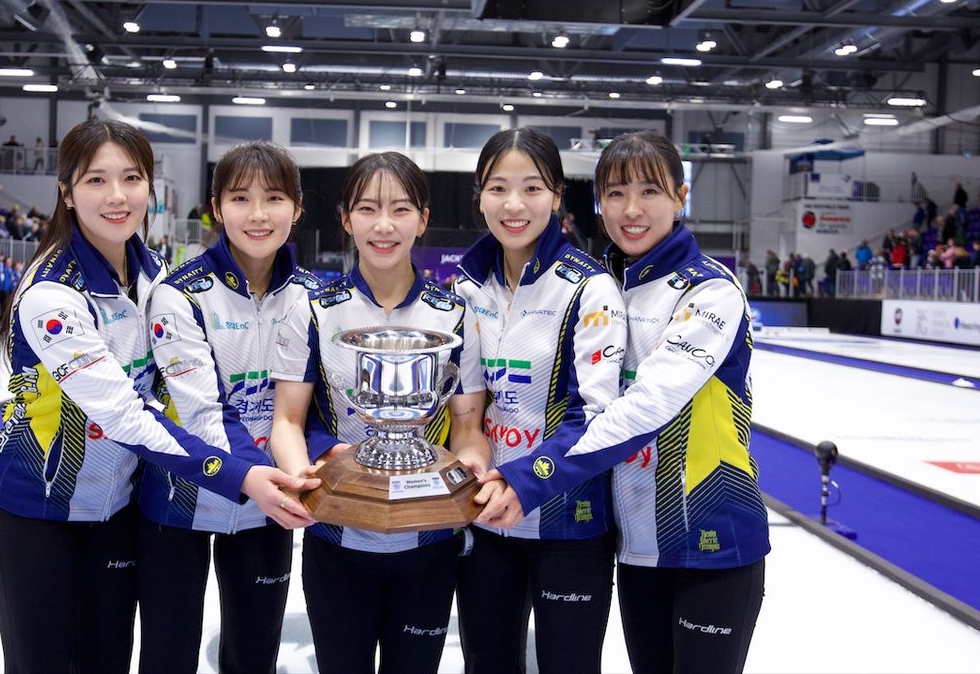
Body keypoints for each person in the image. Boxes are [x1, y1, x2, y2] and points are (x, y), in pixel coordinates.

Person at [0, 118, 315, 674]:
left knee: (108, 660)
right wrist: (241, 474)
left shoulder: (153, 274)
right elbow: (128, 415)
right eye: (95, 181)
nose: (117, 196)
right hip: (37, 514)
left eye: (132, 178)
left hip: (116, 510)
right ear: (66, 191)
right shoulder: (51, 293)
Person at [481, 130, 769, 674]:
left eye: (650, 192)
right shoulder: (604, 285)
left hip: (713, 541)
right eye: (615, 194)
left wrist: (531, 476)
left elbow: (644, 409)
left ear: (681, 198)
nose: (631, 210)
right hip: (637, 546)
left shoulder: (710, 291)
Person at [270, 151, 489, 674]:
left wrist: (469, 473)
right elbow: (288, 421)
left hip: (430, 540)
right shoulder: (315, 308)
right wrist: (306, 480)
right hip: (338, 540)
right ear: (346, 220)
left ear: (423, 219)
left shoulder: (455, 312)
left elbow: (466, 425)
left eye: (401, 209)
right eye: (367, 209)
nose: (384, 225)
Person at [137, 141, 322, 673]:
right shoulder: (180, 295)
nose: (258, 215)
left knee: (254, 653)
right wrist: (263, 476)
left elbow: (316, 409)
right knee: (168, 655)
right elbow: (203, 413)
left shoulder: (313, 297)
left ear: (298, 208)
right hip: (179, 501)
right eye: (240, 198)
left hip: (271, 506)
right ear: (216, 208)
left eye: (275, 198)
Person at [452, 127, 626, 674]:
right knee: (487, 663)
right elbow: (467, 409)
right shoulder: (467, 288)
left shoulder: (589, 288)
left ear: (556, 196)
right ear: (479, 195)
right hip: (488, 519)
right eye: (498, 188)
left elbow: (594, 417)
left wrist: (526, 481)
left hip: (569, 522)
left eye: (532, 188)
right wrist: (475, 463)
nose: (514, 204)